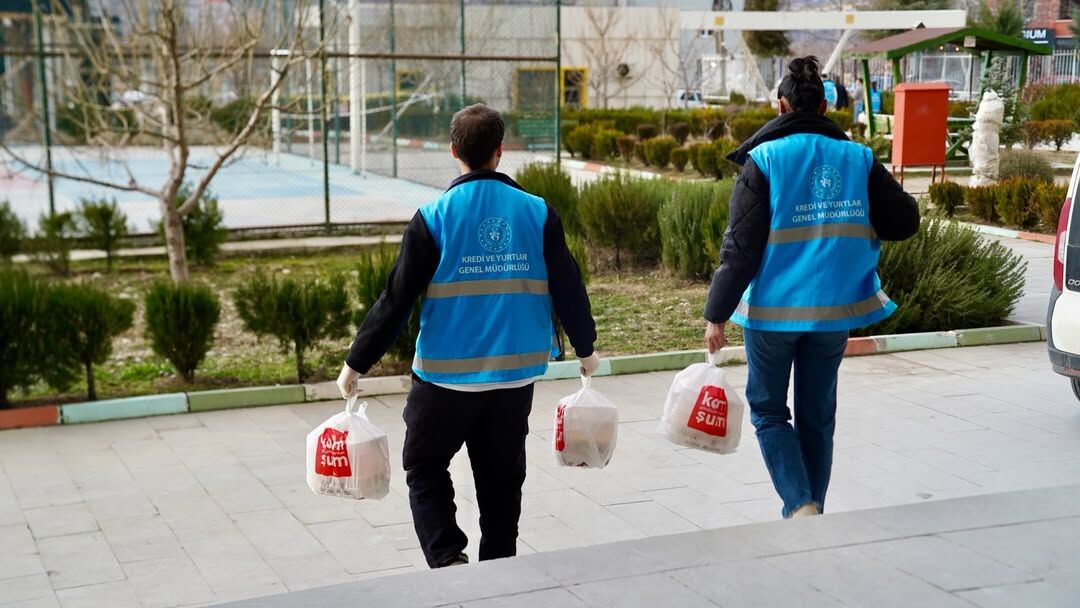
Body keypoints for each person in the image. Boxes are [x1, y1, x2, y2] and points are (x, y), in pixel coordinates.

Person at [337, 104, 599, 567]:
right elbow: (568, 285)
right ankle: (499, 567)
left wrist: (356, 362)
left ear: (454, 152)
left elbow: (396, 299)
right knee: (502, 480)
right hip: (514, 377)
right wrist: (586, 347)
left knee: (423, 466)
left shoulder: (434, 216)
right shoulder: (538, 213)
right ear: (500, 152)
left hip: (444, 377)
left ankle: (447, 560)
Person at [705, 56, 919, 519]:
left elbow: (739, 248)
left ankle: (800, 504)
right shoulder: (858, 158)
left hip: (772, 315)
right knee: (817, 416)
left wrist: (715, 314)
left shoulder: (763, 160)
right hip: (833, 314)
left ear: (780, 105)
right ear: (825, 106)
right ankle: (812, 509)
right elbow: (906, 220)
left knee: (766, 408)